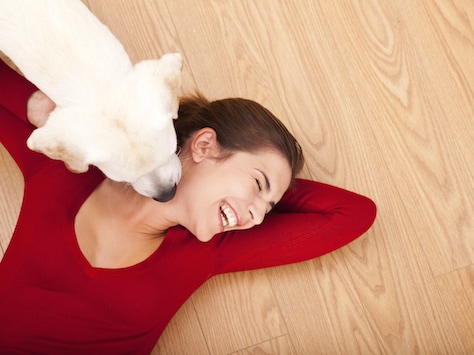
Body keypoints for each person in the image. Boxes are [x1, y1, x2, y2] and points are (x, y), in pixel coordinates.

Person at [0, 59, 376, 354]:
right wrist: (39, 108)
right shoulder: (64, 170)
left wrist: (264, 188)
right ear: (204, 146)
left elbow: (352, 215)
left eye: (269, 207)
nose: (259, 217)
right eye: (259, 185)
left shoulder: (207, 250)